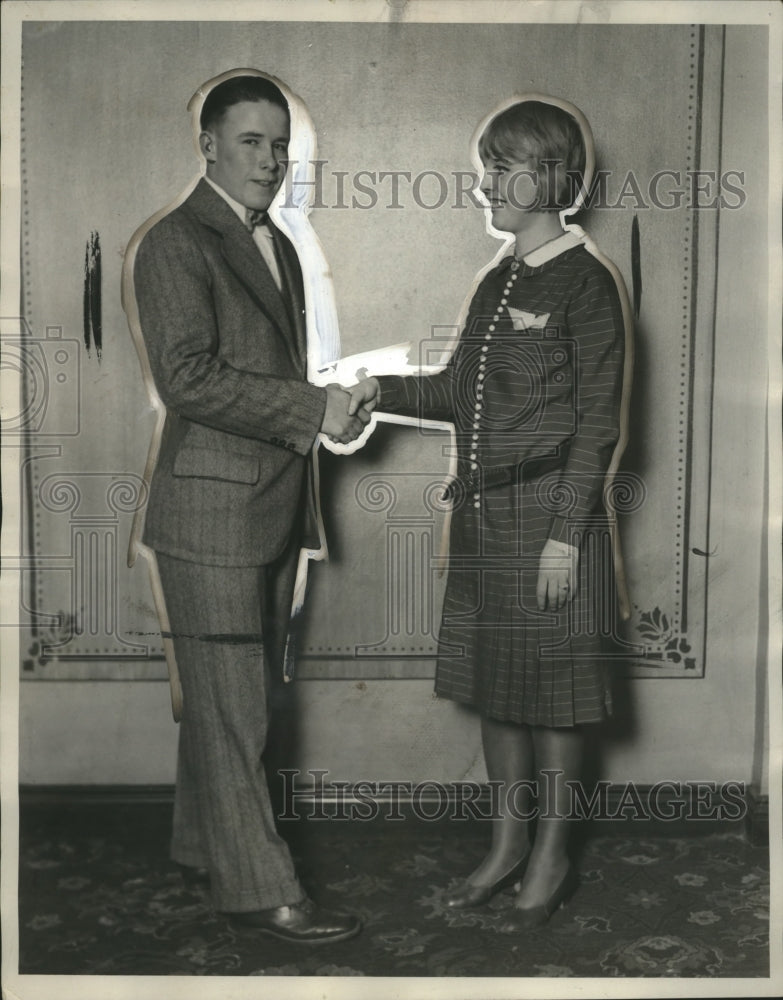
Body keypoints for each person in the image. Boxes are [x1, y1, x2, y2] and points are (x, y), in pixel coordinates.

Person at [348, 97, 630, 926]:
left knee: (554, 697)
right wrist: (378, 390)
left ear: (549, 178)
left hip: (548, 518)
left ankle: (550, 856)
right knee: (498, 691)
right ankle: (506, 845)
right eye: (486, 168)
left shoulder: (587, 282)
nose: (486, 186)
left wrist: (564, 537)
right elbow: (453, 390)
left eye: (503, 169)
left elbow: (599, 422)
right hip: (482, 518)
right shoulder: (498, 276)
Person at [125, 72, 366, 944]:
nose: (270, 160)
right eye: (253, 143)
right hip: (210, 520)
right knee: (236, 712)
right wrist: (311, 411)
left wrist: (330, 402)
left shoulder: (280, 244)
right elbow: (187, 380)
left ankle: (205, 849)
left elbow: (262, 376)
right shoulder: (174, 243)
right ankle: (263, 892)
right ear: (210, 148)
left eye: (279, 144)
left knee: (233, 702)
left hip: (263, 505)